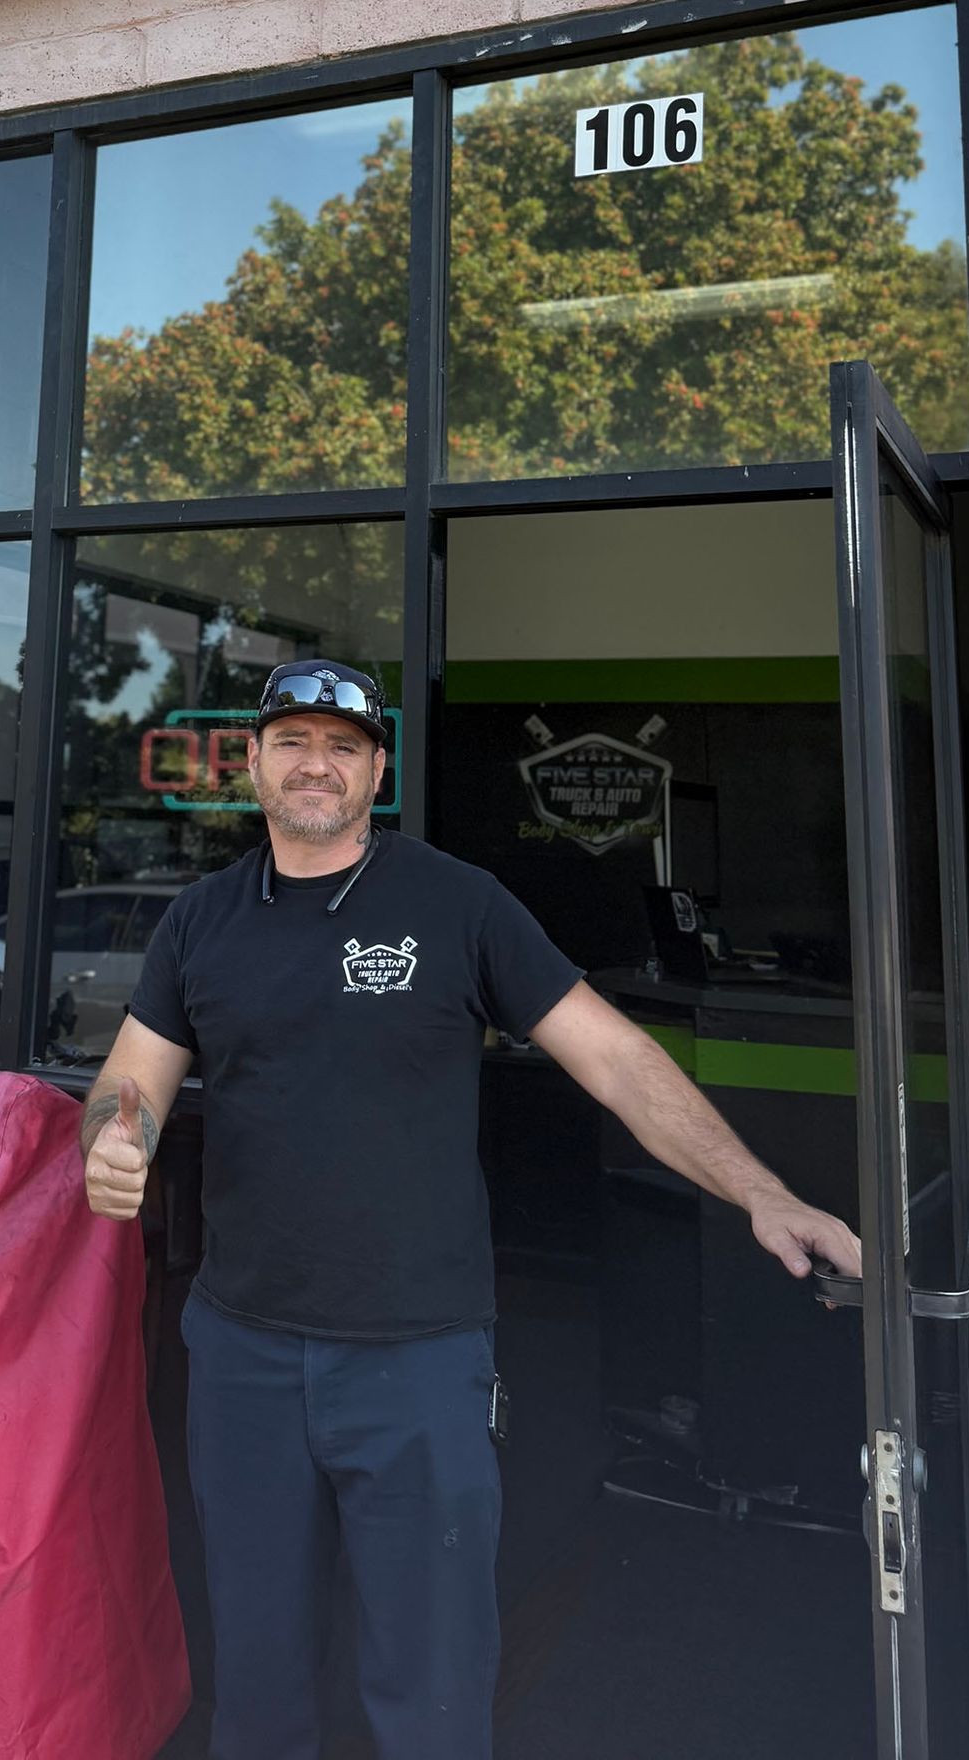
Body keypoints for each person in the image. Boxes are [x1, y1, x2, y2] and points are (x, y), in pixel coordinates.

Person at [80, 659, 862, 1760]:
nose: (317, 763)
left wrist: (762, 1191)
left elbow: (621, 1061)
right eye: (293, 741)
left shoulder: (455, 903)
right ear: (251, 762)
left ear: (378, 770)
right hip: (243, 1347)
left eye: (344, 746)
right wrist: (118, 1141)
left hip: (415, 1355)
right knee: (254, 1664)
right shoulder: (201, 921)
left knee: (432, 1677)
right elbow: (131, 1081)